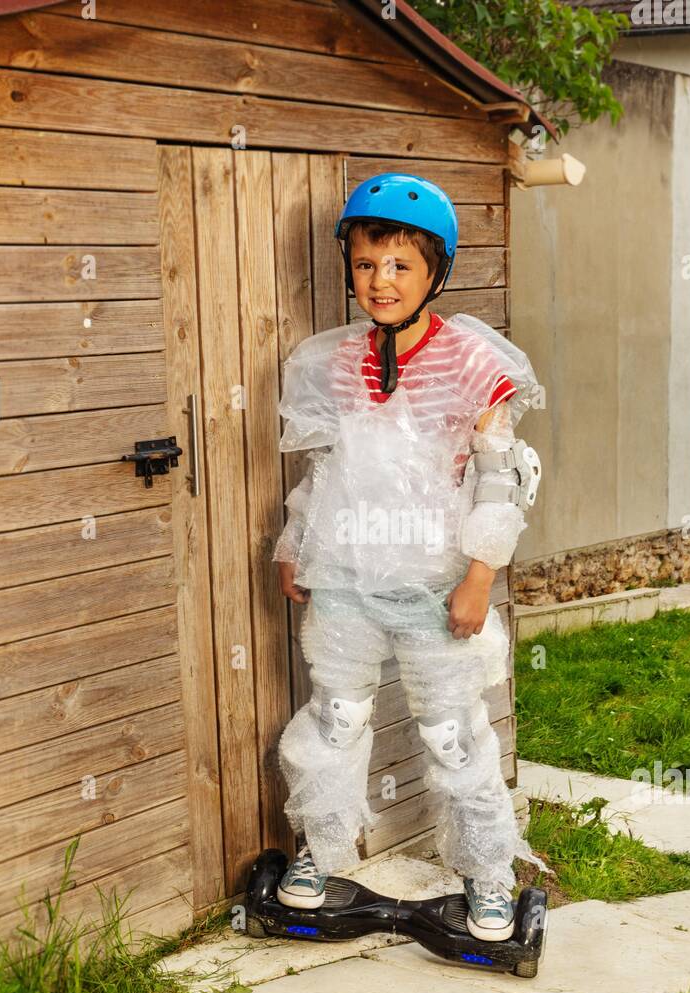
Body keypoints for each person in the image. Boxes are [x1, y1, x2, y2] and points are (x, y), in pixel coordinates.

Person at [271, 172, 552, 941]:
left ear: (435, 271)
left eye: (398, 265)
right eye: (365, 264)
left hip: (435, 583)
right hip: (349, 577)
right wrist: (298, 544)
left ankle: (490, 875)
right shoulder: (331, 362)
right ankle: (322, 853)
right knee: (335, 717)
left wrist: (480, 576)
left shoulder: (470, 360)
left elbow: (502, 479)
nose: (379, 281)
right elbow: (326, 469)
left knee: (454, 732)